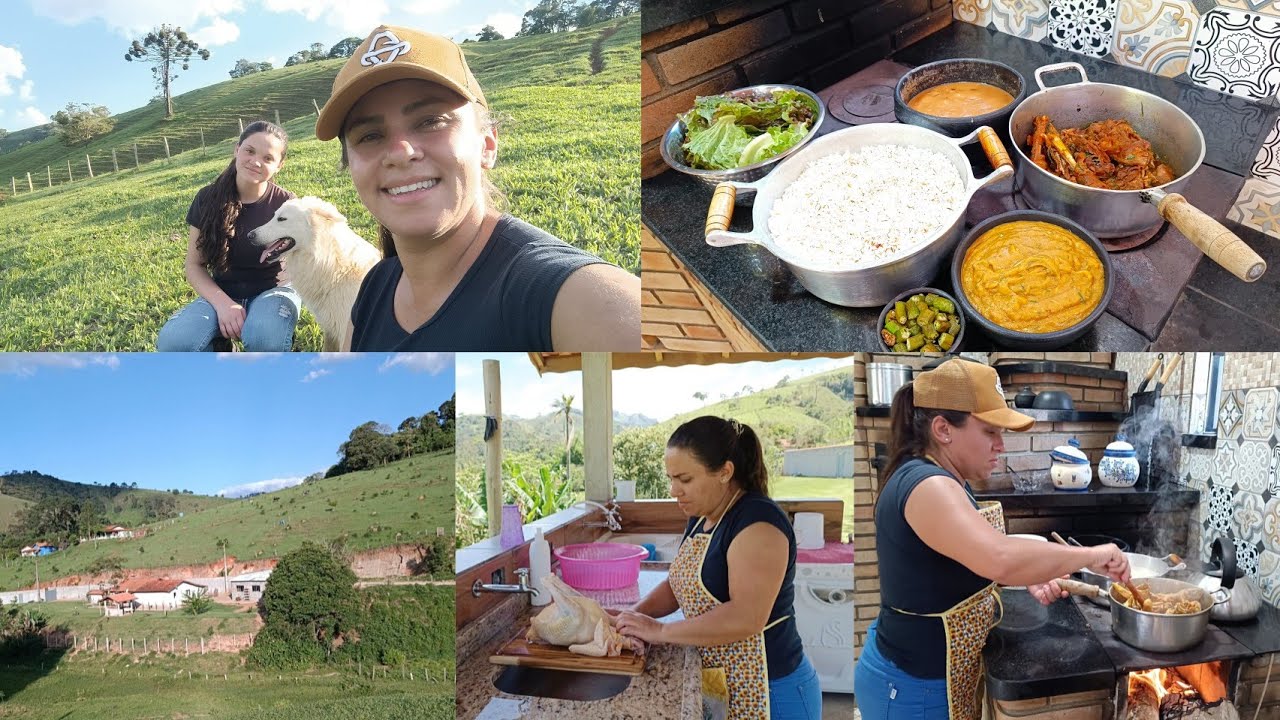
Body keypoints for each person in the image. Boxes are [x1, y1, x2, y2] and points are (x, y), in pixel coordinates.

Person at [313, 25, 640, 351]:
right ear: (351, 165)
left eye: (431, 121)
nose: (400, 152)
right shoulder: (375, 287)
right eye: (369, 136)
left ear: (487, 145)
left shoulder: (556, 293)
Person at [853, 359, 1131, 720]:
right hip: (912, 688)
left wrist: (1032, 570)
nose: (1001, 445)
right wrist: (1092, 556)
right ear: (943, 429)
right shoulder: (929, 485)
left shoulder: (943, 477)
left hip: (928, 678)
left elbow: (969, 557)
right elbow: (999, 557)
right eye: (989, 432)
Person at [614, 416, 821, 720]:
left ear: (725, 472)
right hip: (721, 679)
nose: (674, 490)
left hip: (772, 690)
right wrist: (635, 616)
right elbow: (678, 584)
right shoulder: (702, 516)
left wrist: (660, 631)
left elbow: (746, 617)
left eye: (685, 479)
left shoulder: (757, 522)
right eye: (671, 478)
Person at [156, 121, 300, 351]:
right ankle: (219, 348)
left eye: (268, 158)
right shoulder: (207, 198)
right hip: (222, 291)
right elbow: (194, 265)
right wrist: (223, 304)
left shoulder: (287, 204)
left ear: (279, 165)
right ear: (237, 149)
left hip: (273, 291)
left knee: (265, 338)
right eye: (249, 151)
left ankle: (274, 334)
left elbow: (310, 245)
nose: (255, 162)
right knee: (174, 343)